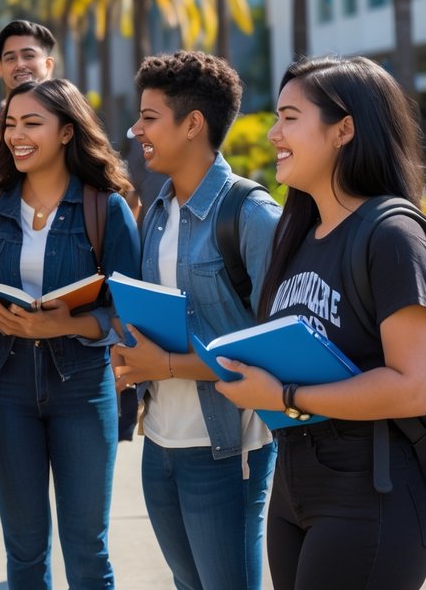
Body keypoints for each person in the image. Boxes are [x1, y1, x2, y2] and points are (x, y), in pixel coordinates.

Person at [214, 55, 426, 590]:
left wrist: (287, 395)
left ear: (344, 129)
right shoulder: (298, 236)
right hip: (295, 486)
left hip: (370, 494)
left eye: (290, 117)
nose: (273, 133)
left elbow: (414, 388)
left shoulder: (392, 236)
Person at [0, 78, 139, 589]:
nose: (17, 134)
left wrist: (65, 324)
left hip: (83, 390)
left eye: (32, 123)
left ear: (66, 132)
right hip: (4, 390)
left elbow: (128, 316)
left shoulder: (107, 209)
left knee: (87, 549)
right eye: (11, 123)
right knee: (26, 553)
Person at [110, 52, 281, 590]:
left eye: (149, 117)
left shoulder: (251, 215)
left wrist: (164, 363)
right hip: (160, 441)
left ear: (193, 124)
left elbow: (274, 351)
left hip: (226, 449)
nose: (135, 129)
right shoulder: (156, 211)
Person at [0, 19, 56, 98]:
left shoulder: (68, 109)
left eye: (28, 56)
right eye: (11, 58)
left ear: (48, 64)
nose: (19, 65)